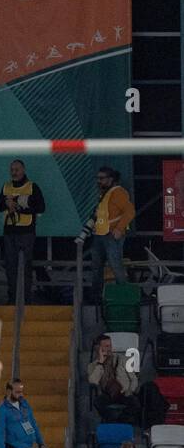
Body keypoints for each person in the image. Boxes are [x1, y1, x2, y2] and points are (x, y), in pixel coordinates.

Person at [84, 166, 136, 306]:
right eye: (98, 178)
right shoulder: (104, 194)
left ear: (110, 179)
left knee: (115, 266)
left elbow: (130, 211)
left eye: (101, 178)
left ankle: (124, 297)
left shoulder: (118, 192)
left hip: (111, 236)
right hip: (100, 235)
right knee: (96, 267)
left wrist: (119, 229)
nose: (98, 181)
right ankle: (96, 299)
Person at [0, 159, 46, 304]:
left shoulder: (32, 187)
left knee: (25, 267)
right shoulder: (6, 187)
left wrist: (20, 205)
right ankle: (12, 299)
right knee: (10, 267)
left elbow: (41, 208)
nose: (14, 172)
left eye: (17, 169)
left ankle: (26, 300)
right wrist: (6, 203)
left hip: (26, 232)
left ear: (23, 170)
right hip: (9, 231)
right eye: (12, 169)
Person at [88, 333, 140, 423]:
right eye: (106, 346)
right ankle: (113, 420)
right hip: (107, 394)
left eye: (110, 345)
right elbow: (93, 381)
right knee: (98, 402)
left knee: (135, 403)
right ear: (98, 348)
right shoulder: (93, 366)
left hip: (124, 392)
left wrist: (129, 391)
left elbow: (134, 379)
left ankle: (119, 420)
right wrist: (100, 363)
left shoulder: (123, 359)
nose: (109, 348)